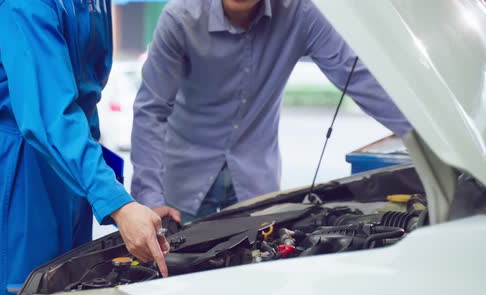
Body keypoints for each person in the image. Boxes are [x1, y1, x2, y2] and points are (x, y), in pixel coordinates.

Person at [0, 1, 169, 295]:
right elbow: (46, 115)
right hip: (18, 162)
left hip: (67, 153)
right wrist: (117, 203)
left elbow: (85, 94)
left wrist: (101, 179)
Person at [131, 0, 411, 223]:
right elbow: (151, 111)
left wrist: (425, 134)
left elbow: (356, 76)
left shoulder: (300, 13)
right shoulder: (180, 18)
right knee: (178, 284)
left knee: (256, 281)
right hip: (181, 187)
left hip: (255, 184)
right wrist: (150, 198)